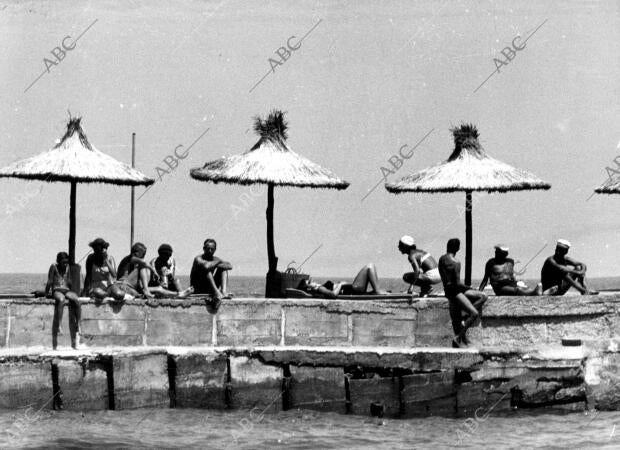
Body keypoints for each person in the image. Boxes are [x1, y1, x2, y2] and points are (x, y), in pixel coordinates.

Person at [438, 238, 487, 348]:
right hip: (455, 292)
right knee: (475, 312)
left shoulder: (441, 259)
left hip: (447, 290)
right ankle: (459, 336)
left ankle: (465, 318)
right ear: (458, 248)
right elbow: (458, 284)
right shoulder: (456, 262)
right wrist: (470, 287)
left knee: (482, 296)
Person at [115, 242, 192, 299]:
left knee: (159, 289)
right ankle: (146, 291)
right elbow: (144, 263)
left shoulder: (171, 261)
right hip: (124, 286)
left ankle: (179, 294)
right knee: (142, 266)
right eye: (142, 255)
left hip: (133, 288)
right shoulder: (129, 259)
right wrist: (154, 271)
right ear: (136, 253)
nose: (143, 257)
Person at [46, 251, 81, 349]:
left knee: (76, 300)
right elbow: (50, 281)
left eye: (66, 262)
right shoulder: (53, 267)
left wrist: (69, 279)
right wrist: (46, 293)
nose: (65, 264)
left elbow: (69, 282)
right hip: (57, 290)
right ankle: (60, 326)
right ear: (58, 261)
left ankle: (78, 324)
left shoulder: (68, 268)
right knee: (61, 300)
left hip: (66, 289)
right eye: (63, 262)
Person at [298, 263, 388, 298]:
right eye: (309, 282)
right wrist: (340, 284)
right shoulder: (318, 288)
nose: (312, 281)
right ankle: (377, 291)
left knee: (370, 267)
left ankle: (377, 291)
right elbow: (333, 294)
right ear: (308, 287)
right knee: (369, 267)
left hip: (353, 290)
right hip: (353, 289)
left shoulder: (318, 287)